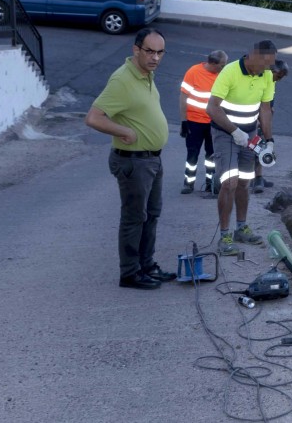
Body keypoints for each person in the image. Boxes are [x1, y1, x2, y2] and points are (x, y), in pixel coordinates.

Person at [85, 28, 174, 290]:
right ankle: (130, 273)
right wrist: (123, 130)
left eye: (160, 52)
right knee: (135, 217)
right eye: (149, 51)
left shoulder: (146, 74)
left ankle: (147, 265)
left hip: (151, 160)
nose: (155, 57)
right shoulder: (122, 80)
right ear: (136, 50)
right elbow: (93, 117)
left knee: (151, 215)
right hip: (134, 162)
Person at [207, 40, 276, 256]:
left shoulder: (266, 76)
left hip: (250, 135)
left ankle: (241, 228)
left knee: (245, 182)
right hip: (225, 133)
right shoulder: (229, 72)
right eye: (266, 63)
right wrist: (234, 131)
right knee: (229, 183)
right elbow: (212, 108)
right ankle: (225, 235)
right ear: (253, 55)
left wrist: (269, 139)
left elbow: (265, 109)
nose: (268, 68)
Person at [178, 50, 227, 196]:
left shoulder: (222, 75)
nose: (224, 68)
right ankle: (189, 182)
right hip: (194, 122)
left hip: (213, 122)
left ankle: (210, 183)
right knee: (192, 153)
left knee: (212, 155)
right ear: (212, 63)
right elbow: (183, 97)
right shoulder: (193, 72)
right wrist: (183, 121)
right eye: (222, 65)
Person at [252, 58, 289, 194]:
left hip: (261, 122)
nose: (279, 79)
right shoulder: (261, 81)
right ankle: (253, 180)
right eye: (278, 76)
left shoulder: (271, 82)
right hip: (252, 121)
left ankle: (258, 178)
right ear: (272, 71)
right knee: (255, 149)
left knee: (260, 149)